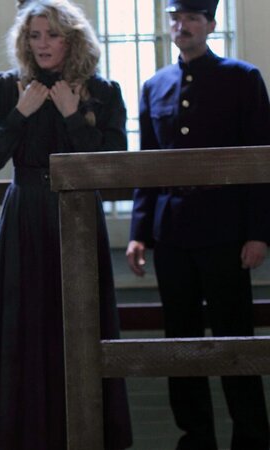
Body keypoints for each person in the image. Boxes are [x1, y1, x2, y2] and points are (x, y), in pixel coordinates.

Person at [0, 1, 132, 448]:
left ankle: (84, 434)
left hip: (78, 214)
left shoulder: (103, 90)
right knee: (23, 328)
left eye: (53, 35)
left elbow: (114, 169)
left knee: (81, 325)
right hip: (25, 215)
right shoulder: (7, 87)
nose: (42, 44)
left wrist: (72, 115)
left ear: (72, 39)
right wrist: (19, 113)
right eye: (35, 35)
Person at [126, 0, 270, 448]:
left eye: (191, 18)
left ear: (210, 24)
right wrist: (138, 233)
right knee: (180, 340)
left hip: (226, 229)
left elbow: (261, 158)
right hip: (172, 232)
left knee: (235, 338)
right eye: (175, 17)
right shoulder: (155, 85)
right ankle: (196, 437)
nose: (181, 25)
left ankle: (251, 437)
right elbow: (148, 164)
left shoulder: (242, 78)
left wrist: (259, 232)